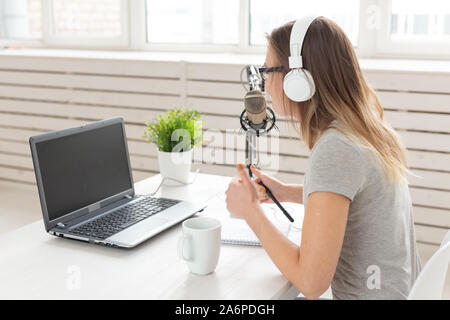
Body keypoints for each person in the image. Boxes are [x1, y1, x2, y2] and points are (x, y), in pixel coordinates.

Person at [225, 16, 421, 300]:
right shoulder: (365, 130)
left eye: (268, 72)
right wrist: (285, 192)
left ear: (297, 79)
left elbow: (311, 282)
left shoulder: (336, 148)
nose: (265, 86)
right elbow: (358, 200)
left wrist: (251, 212)